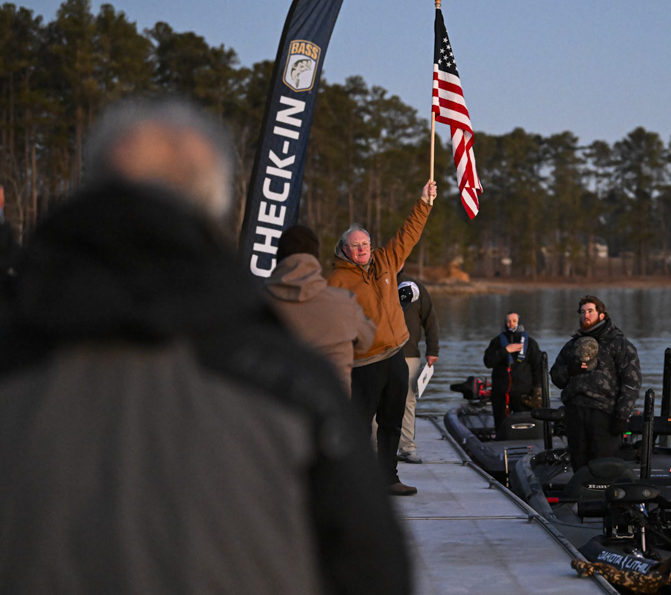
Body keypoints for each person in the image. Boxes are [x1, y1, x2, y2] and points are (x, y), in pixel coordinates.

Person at [0, 96, 410, 595]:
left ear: (95, 186)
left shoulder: (13, 368)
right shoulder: (294, 391)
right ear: (213, 203)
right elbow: (373, 569)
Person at [328, 179, 437, 496]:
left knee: (392, 421)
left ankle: (388, 478)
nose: (362, 249)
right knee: (360, 425)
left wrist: (424, 203)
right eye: (356, 246)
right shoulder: (337, 279)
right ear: (344, 250)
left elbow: (409, 233)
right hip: (364, 363)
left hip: (396, 357)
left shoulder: (386, 260)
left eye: (365, 244)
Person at [264, 224, 377, 396]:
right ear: (315, 257)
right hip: (331, 404)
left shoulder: (254, 300)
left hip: (271, 403)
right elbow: (367, 340)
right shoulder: (345, 303)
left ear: (279, 257)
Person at [550, 295, 642, 471]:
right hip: (575, 412)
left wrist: (622, 415)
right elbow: (556, 377)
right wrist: (570, 370)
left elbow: (631, 382)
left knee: (602, 466)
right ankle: (581, 489)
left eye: (590, 311)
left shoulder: (619, 344)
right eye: (583, 312)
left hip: (604, 413)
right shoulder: (572, 346)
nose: (586, 315)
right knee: (579, 465)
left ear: (601, 315)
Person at [395, 267, 440, 464]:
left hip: (409, 355)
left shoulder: (416, 287)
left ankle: (407, 448)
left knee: (408, 402)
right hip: (377, 355)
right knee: (376, 401)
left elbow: (430, 320)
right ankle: (375, 449)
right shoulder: (373, 282)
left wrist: (433, 350)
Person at [483, 311, 545, 433]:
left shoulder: (530, 343)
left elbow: (537, 368)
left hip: (523, 395)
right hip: (501, 394)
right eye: (508, 321)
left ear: (519, 323)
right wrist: (505, 350)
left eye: (514, 321)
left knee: (526, 427)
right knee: (501, 426)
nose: (511, 324)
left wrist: (537, 389)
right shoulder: (496, 342)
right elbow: (488, 362)